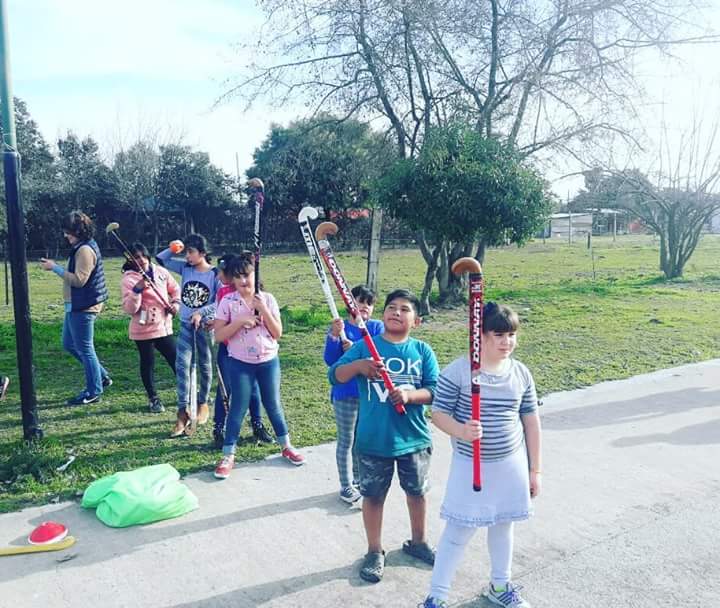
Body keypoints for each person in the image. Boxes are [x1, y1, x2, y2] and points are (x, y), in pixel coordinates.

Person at [420, 303, 542, 608]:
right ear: (480, 335)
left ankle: (500, 586)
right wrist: (461, 431)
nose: (506, 342)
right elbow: (438, 414)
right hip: (470, 466)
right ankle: (437, 596)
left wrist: (535, 470)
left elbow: (531, 421)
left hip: (510, 464)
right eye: (498, 334)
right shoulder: (459, 371)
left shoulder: (520, 373)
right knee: (458, 531)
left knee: (504, 525)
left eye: (511, 335)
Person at [329, 289, 439, 583]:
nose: (396, 312)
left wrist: (410, 395)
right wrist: (358, 366)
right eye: (391, 307)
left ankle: (418, 542)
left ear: (417, 320)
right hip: (373, 440)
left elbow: (434, 390)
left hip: (413, 438)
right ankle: (374, 551)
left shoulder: (422, 351)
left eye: (405, 309)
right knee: (373, 497)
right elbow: (335, 375)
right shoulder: (365, 346)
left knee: (417, 493)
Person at [213, 253, 305, 479]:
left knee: (272, 404)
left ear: (255, 274)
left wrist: (263, 309)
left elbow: (277, 332)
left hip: (268, 361)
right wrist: (239, 322)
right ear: (232, 280)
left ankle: (286, 446)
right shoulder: (228, 302)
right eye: (238, 277)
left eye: (247, 275)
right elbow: (218, 335)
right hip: (239, 363)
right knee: (238, 406)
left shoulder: (268, 299)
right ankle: (228, 454)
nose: (243, 280)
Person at [40, 210, 111, 405]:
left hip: (84, 305)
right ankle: (102, 377)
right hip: (76, 305)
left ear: (78, 231)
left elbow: (79, 281)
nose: (66, 235)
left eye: (68, 232)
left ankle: (94, 391)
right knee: (69, 344)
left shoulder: (85, 251)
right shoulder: (82, 246)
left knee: (85, 349)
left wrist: (54, 268)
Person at [323, 284, 384, 504]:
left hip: (369, 394)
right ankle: (346, 485)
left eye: (370, 303)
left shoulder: (376, 327)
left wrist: (356, 346)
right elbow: (330, 361)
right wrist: (334, 337)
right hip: (345, 393)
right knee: (346, 440)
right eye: (360, 301)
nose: (365, 306)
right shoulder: (340, 329)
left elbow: (379, 352)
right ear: (350, 303)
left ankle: (360, 480)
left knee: (363, 439)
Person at [156, 234, 219, 437]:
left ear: (203, 253)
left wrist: (202, 312)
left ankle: (203, 403)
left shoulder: (215, 274)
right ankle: (182, 412)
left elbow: (220, 302)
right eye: (186, 252)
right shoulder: (185, 268)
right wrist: (174, 248)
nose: (187, 256)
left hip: (205, 327)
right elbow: (161, 259)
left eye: (191, 252)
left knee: (205, 366)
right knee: (182, 366)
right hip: (185, 325)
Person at [212, 253, 273, 449]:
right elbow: (220, 320)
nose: (220, 276)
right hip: (229, 349)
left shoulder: (256, 292)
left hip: (253, 351)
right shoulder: (225, 294)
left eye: (223, 272)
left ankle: (257, 425)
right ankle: (219, 428)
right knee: (225, 387)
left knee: (253, 388)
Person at [120, 242, 181, 413]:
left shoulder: (161, 272)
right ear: (130, 260)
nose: (141, 260)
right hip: (142, 330)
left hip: (163, 327)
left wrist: (175, 304)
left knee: (176, 360)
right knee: (147, 363)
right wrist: (137, 290)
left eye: (143, 255)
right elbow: (130, 309)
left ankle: (188, 391)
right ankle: (153, 398)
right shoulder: (128, 279)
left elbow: (175, 289)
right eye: (136, 257)